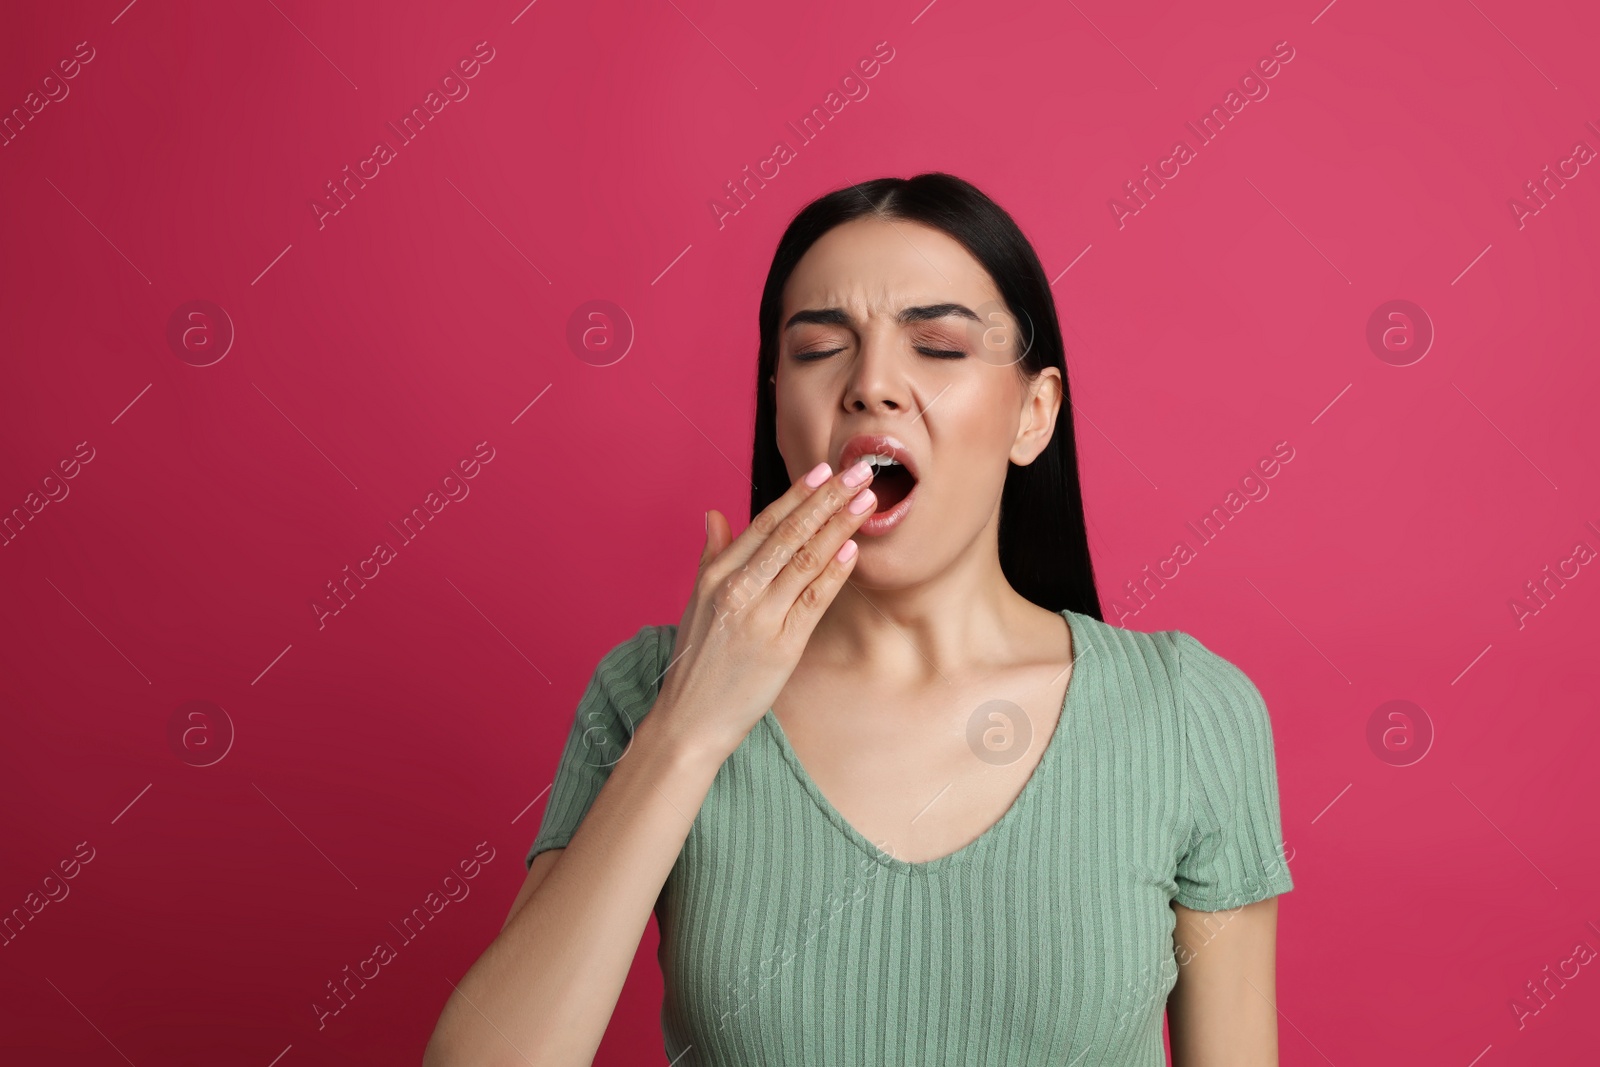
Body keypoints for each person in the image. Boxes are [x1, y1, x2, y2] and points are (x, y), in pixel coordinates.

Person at [423, 172, 1294, 1066]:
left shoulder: (1188, 715)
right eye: (819, 349)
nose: (871, 384)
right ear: (779, 412)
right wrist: (688, 727)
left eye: (939, 346)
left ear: (1032, 416)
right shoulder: (649, 689)